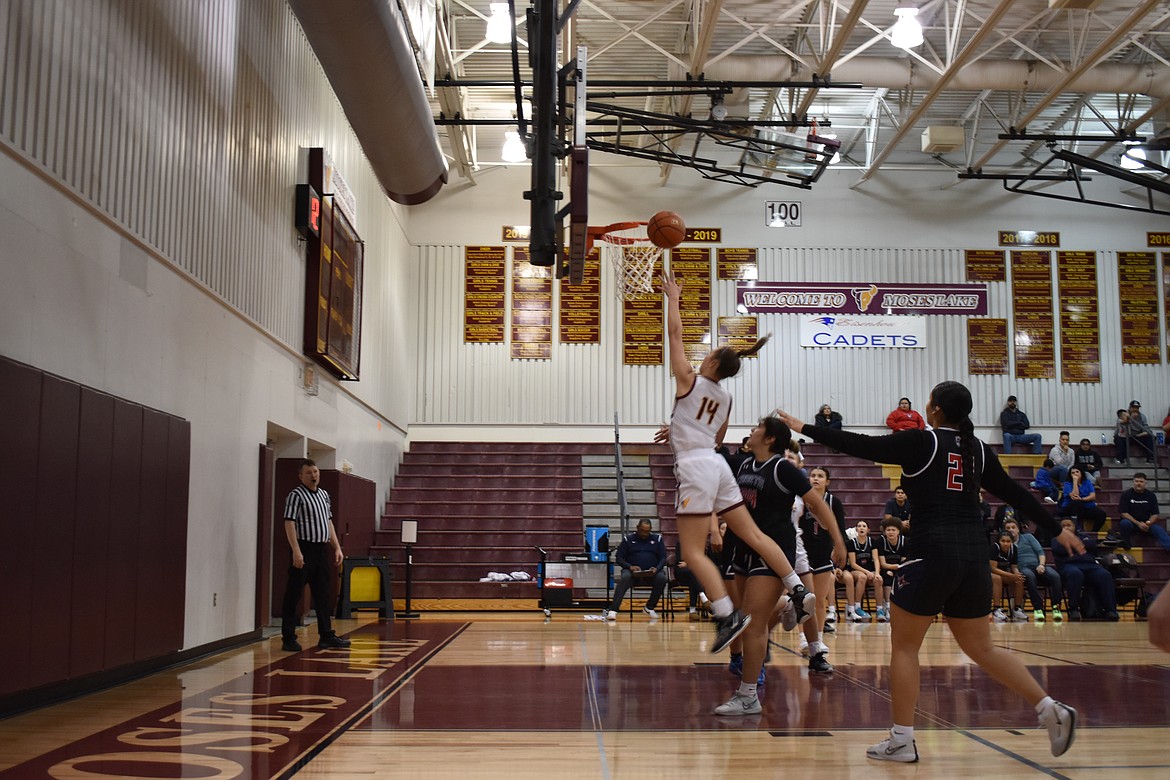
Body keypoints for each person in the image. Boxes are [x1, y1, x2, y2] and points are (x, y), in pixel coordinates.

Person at [777, 380, 1083, 763]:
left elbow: (861, 445)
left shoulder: (923, 441)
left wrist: (803, 427)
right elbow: (1018, 495)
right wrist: (1056, 530)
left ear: (935, 409)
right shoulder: (977, 450)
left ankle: (902, 739)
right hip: (973, 557)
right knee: (981, 648)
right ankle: (1050, 709)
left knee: (905, 646)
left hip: (931, 553)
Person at [662, 272, 818, 656]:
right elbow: (717, 439)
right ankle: (796, 585)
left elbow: (676, 336)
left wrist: (673, 297)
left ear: (713, 360)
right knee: (753, 535)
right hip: (717, 464)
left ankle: (725, 614)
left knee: (693, 552)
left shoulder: (688, 380)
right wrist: (680, 429)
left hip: (696, 467)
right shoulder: (726, 398)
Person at [711, 419, 846, 715]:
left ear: (770, 438)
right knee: (747, 621)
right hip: (743, 549)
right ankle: (788, 604)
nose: (753, 430)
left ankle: (748, 695)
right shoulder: (745, 464)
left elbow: (818, 504)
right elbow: (712, 448)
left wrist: (838, 540)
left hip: (773, 551)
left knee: (754, 624)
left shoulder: (783, 469)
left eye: (759, 427)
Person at [280, 459, 351, 652]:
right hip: (304, 548)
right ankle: (288, 637)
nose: (314, 475)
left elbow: (329, 523)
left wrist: (337, 547)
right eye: (309, 472)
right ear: (301, 476)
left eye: (316, 471)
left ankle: (326, 635)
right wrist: (296, 551)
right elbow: (289, 523)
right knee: (293, 594)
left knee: (323, 594)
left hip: (321, 550)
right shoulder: (295, 496)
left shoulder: (324, 495)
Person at [1051, 517, 1119, 621]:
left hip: (1090, 565)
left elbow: (1092, 545)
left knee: (1104, 574)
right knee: (1075, 574)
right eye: (1063, 526)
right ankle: (1074, 609)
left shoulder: (1084, 536)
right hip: (1069, 566)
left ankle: (1111, 610)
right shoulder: (1057, 539)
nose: (1066, 528)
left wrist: (1072, 544)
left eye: (1069, 525)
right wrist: (1079, 544)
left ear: (1075, 527)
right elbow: (1059, 549)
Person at [603, 520, 667, 619]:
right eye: (642, 531)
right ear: (637, 528)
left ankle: (649, 607)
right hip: (633, 572)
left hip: (651, 572)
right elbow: (619, 558)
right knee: (625, 577)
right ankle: (613, 610)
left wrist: (657, 568)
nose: (644, 534)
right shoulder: (628, 539)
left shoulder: (657, 539)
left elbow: (663, 558)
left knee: (662, 578)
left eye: (647, 531)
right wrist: (629, 566)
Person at [1004, 518, 1063, 622]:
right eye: (1008, 528)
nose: (1011, 530)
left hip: (1037, 565)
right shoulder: (1006, 543)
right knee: (1029, 576)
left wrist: (1041, 565)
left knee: (1055, 576)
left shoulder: (1028, 537)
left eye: (1013, 527)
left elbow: (1040, 552)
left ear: (1018, 529)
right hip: (1023, 568)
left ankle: (1055, 606)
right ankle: (1038, 609)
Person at [1118, 472, 1169, 552]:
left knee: (1160, 531)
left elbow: (1155, 514)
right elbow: (1124, 513)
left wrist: (1147, 523)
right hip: (1132, 523)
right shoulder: (1126, 494)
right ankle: (1126, 544)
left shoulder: (1151, 495)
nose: (1139, 484)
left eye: (1141, 482)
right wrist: (1138, 523)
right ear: (1133, 482)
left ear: (1145, 483)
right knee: (1124, 523)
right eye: (1137, 481)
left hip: (1147, 524)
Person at [844, 520, 881, 622]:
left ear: (868, 530)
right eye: (859, 526)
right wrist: (867, 572)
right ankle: (857, 607)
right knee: (862, 577)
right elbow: (853, 564)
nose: (861, 528)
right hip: (855, 570)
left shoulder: (872, 542)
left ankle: (880, 610)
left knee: (879, 579)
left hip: (869, 570)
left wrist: (877, 572)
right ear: (856, 529)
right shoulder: (851, 543)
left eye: (864, 526)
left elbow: (876, 559)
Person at [989, 531, 1027, 622]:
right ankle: (996, 609)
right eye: (1003, 541)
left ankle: (1017, 609)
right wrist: (1011, 575)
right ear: (999, 541)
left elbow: (1014, 567)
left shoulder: (1014, 549)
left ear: (1011, 542)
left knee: (1019, 579)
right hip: (988, 573)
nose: (1005, 543)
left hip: (1004, 573)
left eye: (1008, 541)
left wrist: (1017, 574)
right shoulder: (994, 547)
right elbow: (993, 569)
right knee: (997, 578)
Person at [876, 519, 907, 622]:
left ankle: (903, 607)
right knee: (888, 576)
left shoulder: (904, 541)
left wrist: (897, 569)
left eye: (893, 530)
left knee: (904, 577)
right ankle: (888, 607)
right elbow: (882, 563)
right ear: (884, 532)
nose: (890, 532)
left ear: (898, 531)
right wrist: (893, 568)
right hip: (885, 568)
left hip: (899, 567)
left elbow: (904, 560)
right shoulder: (881, 541)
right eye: (888, 530)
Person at [1060, 466, 1107, 533]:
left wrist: (1082, 499)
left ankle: (1093, 533)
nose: (1075, 474)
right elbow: (1075, 496)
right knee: (1077, 503)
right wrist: (1075, 482)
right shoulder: (1067, 484)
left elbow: (1093, 496)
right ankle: (1078, 527)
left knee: (1101, 514)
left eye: (1077, 472)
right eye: (1073, 473)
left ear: (1081, 473)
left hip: (1086, 506)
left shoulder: (1087, 482)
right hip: (1071, 507)